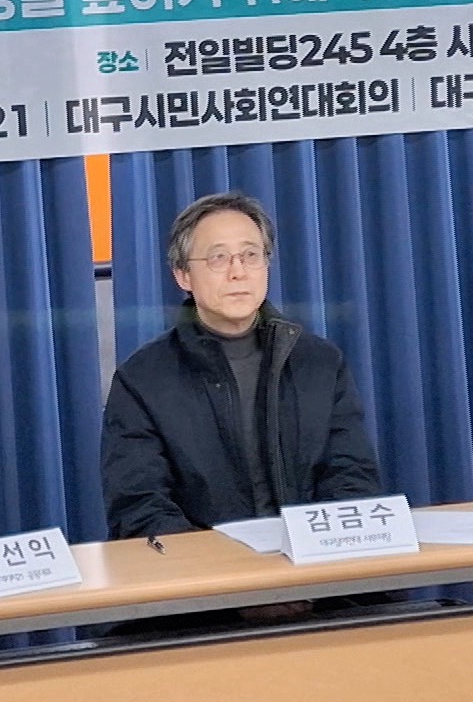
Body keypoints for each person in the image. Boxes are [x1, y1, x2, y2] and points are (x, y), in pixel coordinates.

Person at [102, 192, 384, 539]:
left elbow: (352, 477)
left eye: (251, 255)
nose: (238, 272)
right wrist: (226, 563)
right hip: (207, 569)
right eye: (218, 258)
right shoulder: (142, 380)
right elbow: (139, 506)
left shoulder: (319, 362)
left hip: (316, 562)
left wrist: (315, 550)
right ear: (183, 276)